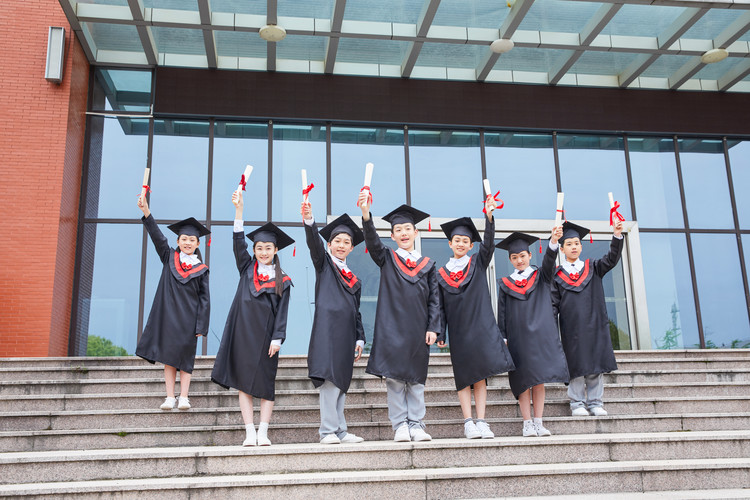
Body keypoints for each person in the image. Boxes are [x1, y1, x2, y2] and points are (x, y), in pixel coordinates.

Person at [358, 192, 442, 442]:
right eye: (398, 230)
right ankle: (400, 425)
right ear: (392, 236)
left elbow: (435, 300)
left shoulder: (427, 264)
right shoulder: (388, 258)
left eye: (408, 228)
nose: (404, 233)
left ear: (416, 233)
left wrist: (433, 327)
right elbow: (372, 241)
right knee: (395, 379)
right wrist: (366, 214)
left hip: (418, 329)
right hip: (392, 327)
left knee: (416, 379)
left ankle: (416, 423)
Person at [211, 190, 293, 447]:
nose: (263, 251)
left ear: (276, 249)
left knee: (266, 384)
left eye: (268, 247)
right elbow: (238, 243)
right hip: (243, 334)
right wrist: (239, 211)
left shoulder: (284, 279)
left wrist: (278, 337)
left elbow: (283, 311)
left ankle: (264, 431)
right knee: (244, 384)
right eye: (259, 248)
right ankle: (249, 431)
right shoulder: (247, 268)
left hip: (268, 338)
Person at [436, 195, 515, 439]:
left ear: (471, 246)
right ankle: (468, 422)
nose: (461, 243)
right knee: (463, 377)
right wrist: (441, 331)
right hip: (459, 331)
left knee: (480, 376)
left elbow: (489, 244)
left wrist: (489, 218)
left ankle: (482, 420)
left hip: (479, 328)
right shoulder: (441, 274)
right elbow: (439, 306)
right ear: (450, 243)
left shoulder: (477, 264)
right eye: (457, 240)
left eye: (465, 241)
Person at [135, 196, 210, 411]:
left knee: (186, 359)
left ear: (197, 244)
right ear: (177, 241)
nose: (187, 242)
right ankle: (170, 396)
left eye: (191, 240)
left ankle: (184, 396)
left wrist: (201, 325)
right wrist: (147, 212)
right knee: (169, 358)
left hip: (189, 319)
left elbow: (205, 298)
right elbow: (157, 237)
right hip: (168, 317)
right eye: (183, 238)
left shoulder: (202, 269)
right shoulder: (169, 257)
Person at [302, 201, 366, 444]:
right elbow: (313, 245)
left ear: (351, 248)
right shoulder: (324, 265)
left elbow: (356, 311)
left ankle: (340, 430)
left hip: (347, 334)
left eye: (346, 242)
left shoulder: (354, 279)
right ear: (329, 245)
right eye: (337, 241)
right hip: (327, 332)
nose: (341, 245)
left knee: (341, 381)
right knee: (330, 380)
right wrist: (309, 220)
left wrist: (360, 337)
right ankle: (327, 431)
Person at [496, 228, 569, 437]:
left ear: (529, 255)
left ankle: (539, 421)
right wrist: (503, 336)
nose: (519, 260)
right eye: (514, 257)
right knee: (522, 381)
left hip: (539, 337)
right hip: (518, 338)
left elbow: (548, 261)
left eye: (522, 256)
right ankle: (527, 423)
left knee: (538, 379)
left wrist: (553, 242)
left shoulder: (541, 277)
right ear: (510, 259)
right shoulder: (505, 284)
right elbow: (502, 312)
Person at [551, 220, 624, 417]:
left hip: (594, 325)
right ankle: (577, 403)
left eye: (576, 243)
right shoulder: (557, 275)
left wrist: (617, 235)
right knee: (575, 366)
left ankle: (595, 402)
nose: (573, 247)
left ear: (581, 246)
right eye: (569, 244)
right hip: (571, 328)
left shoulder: (593, 267)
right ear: (562, 248)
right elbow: (552, 304)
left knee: (594, 364)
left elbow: (612, 259)